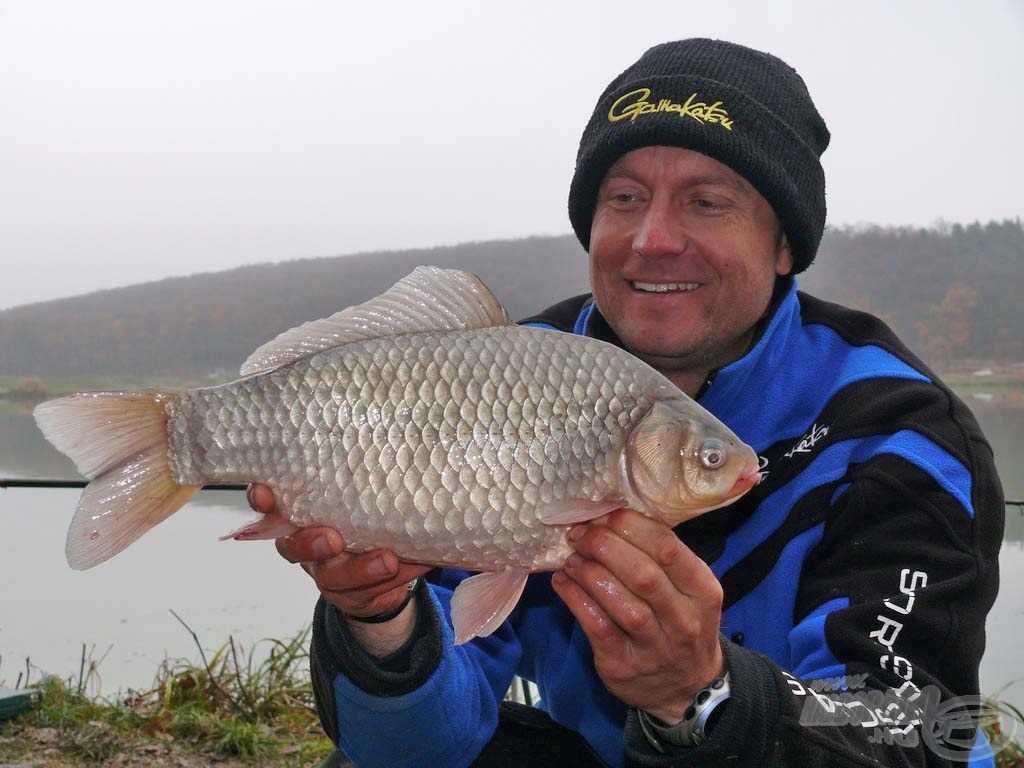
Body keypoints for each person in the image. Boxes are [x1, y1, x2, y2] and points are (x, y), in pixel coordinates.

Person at [248, 39, 1004, 767]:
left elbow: (909, 728)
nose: (652, 239)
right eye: (625, 197)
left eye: (707, 202)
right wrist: (381, 618)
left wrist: (706, 694)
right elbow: (411, 751)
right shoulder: (500, 383)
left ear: (784, 247)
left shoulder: (896, 435)